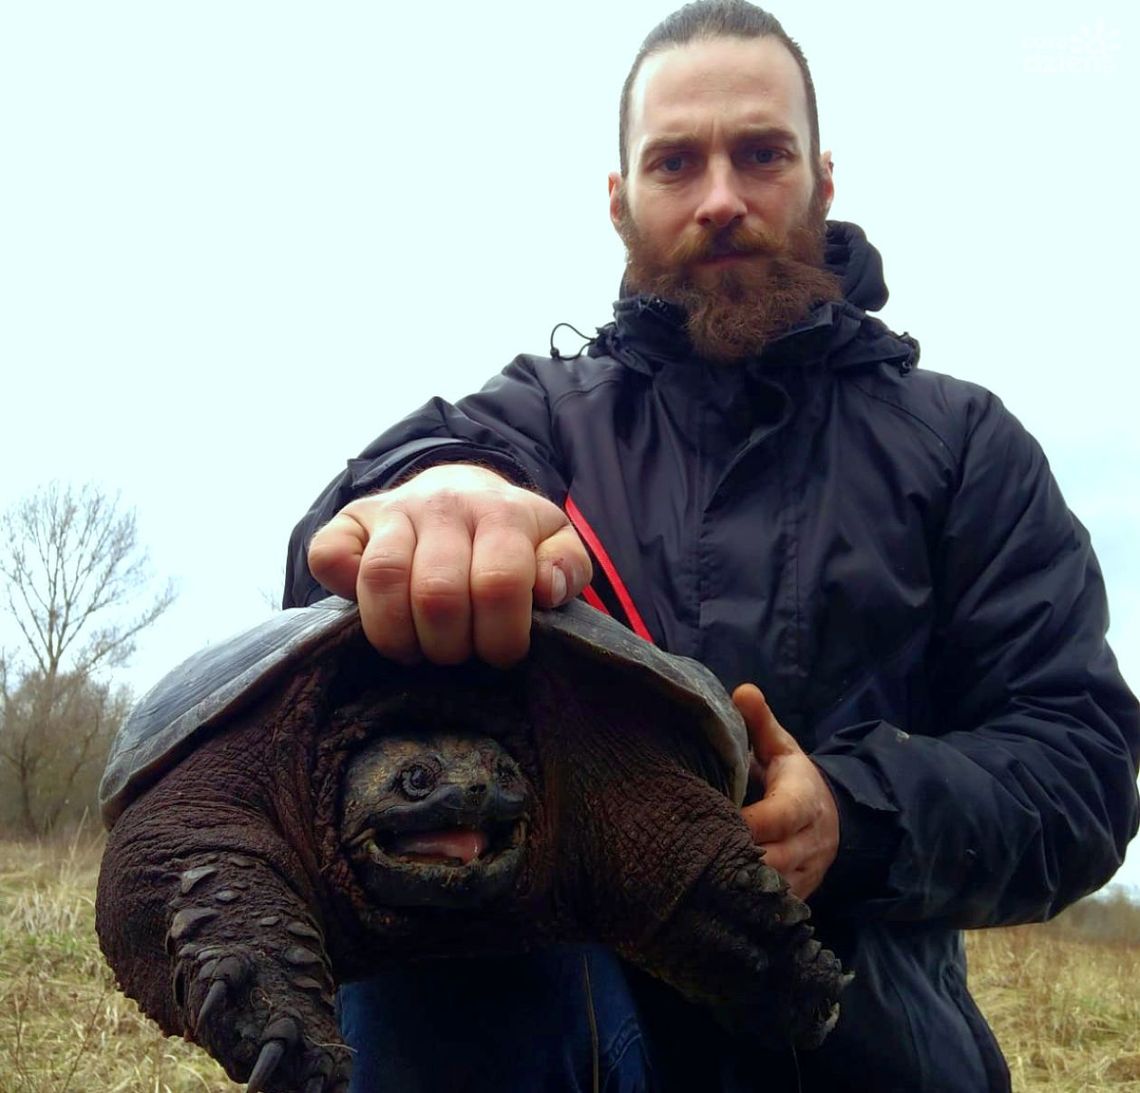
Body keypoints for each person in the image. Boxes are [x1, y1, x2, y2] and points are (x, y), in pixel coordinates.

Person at [283, 3, 1140, 1090]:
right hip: (551, 1042)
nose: (723, 198)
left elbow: (1084, 764)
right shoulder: (536, 421)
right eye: (677, 161)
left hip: (866, 1053)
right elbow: (351, 547)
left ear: (823, 179)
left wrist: (855, 813)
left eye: (761, 154)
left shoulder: (965, 446)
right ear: (619, 199)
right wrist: (439, 488)